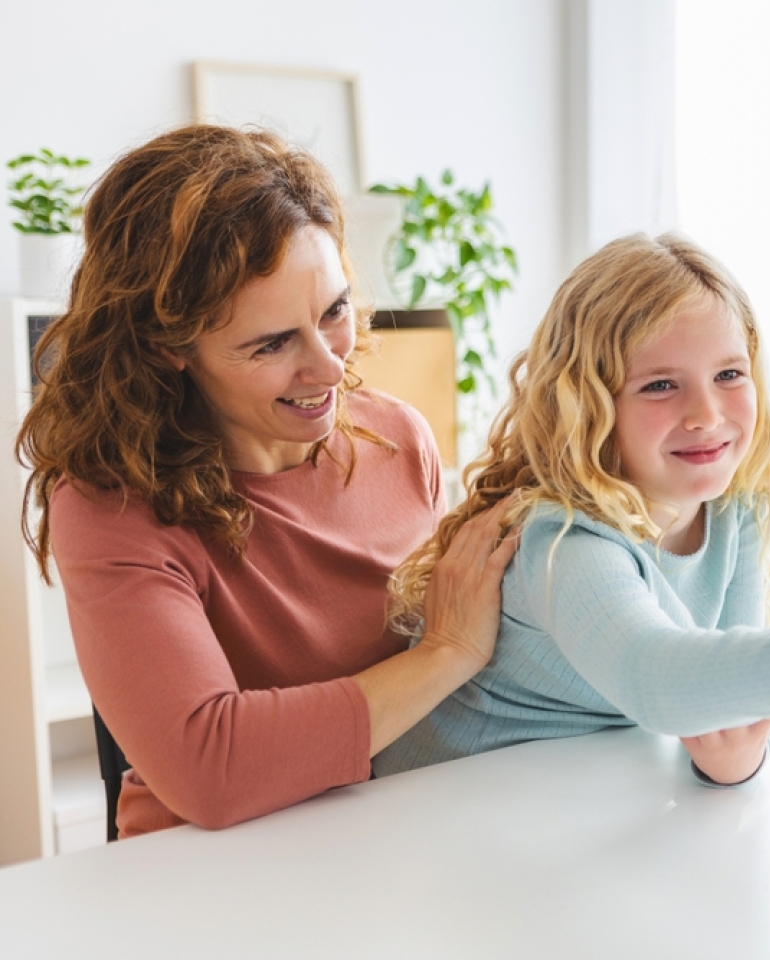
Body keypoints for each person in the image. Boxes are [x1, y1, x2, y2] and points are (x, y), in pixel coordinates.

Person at [17, 125, 517, 838]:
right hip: (209, 872)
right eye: (273, 343)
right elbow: (208, 770)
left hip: (391, 835)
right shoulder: (113, 505)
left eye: (334, 311)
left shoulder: (400, 438)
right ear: (169, 347)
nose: (330, 368)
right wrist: (449, 652)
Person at [372, 233, 770, 784]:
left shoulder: (733, 508)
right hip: (435, 807)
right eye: (660, 385)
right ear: (589, 408)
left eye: (728, 375)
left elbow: (723, 701)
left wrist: (733, 762)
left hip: (578, 796)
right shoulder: (563, 541)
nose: (706, 414)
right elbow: (660, 679)